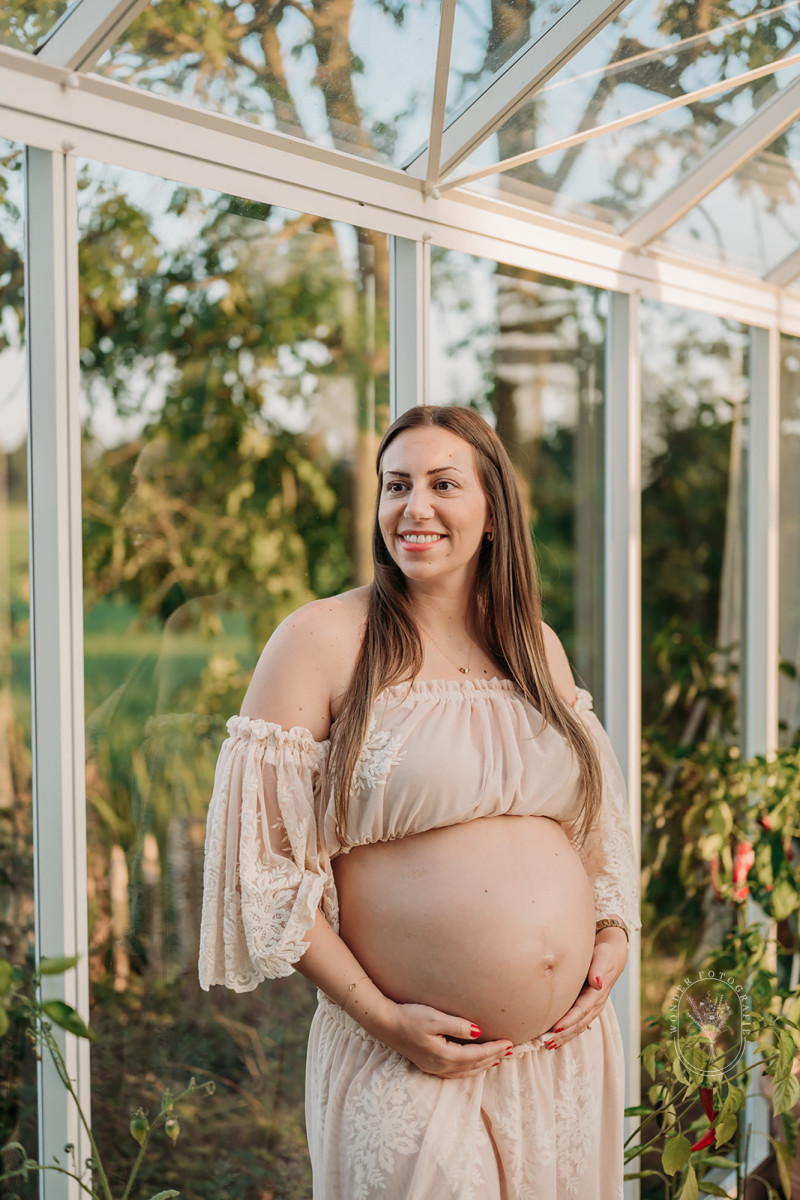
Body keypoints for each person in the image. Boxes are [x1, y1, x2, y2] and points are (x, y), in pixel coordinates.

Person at [199, 404, 641, 1200]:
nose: (415, 507)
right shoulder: (320, 639)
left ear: (493, 513)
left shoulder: (535, 646)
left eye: (443, 484)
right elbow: (261, 871)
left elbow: (590, 832)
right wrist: (383, 1019)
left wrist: (610, 936)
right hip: (408, 1058)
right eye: (397, 485)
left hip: (561, 1057)